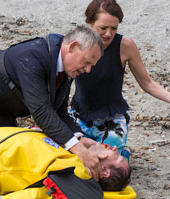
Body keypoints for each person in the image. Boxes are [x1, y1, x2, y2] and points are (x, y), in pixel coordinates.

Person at [0, 25, 104, 181]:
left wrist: (79, 138)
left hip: (3, 109)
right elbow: (41, 112)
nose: (88, 70)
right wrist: (78, 150)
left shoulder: (65, 66)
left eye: (92, 65)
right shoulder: (32, 56)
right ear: (73, 47)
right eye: (86, 62)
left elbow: (59, 111)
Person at [70, 0, 170, 155]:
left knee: (109, 168)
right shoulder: (77, 43)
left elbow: (147, 83)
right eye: (103, 28)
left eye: (114, 28)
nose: (108, 34)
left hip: (111, 118)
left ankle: (123, 152)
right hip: (79, 114)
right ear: (90, 22)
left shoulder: (125, 45)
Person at [0, 127, 131, 199]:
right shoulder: (74, 153)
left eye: (117, 157)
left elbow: (37, 196)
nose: (114, 148)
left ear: (105, 171)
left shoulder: (73, 178)